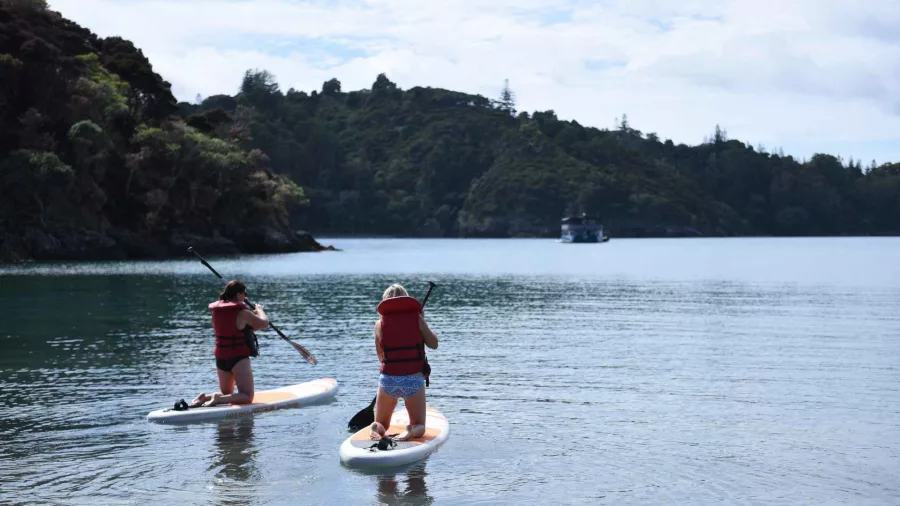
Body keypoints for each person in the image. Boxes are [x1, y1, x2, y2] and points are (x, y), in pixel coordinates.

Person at [370, 284, 439, 441]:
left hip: (388, 381)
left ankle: (375, 428)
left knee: (382, 423)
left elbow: (381, 357)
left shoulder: (379, 324)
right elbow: (434, 344)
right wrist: (422, 321)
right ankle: (411, 430)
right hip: (413, 381)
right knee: (419, 425)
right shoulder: (417, 320)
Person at [190, 280, 268, 408]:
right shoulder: (242, 313)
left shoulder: (217, 311)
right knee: (247, 396)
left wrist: (251, 315)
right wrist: (259, 310)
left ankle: (204, 398)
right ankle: (218, 399)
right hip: (237, 357)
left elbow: (234, 327)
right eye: (244, 293)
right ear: (237, 295)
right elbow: (264, 323)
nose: (246, 296)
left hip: (221, 356)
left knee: (227, 393)